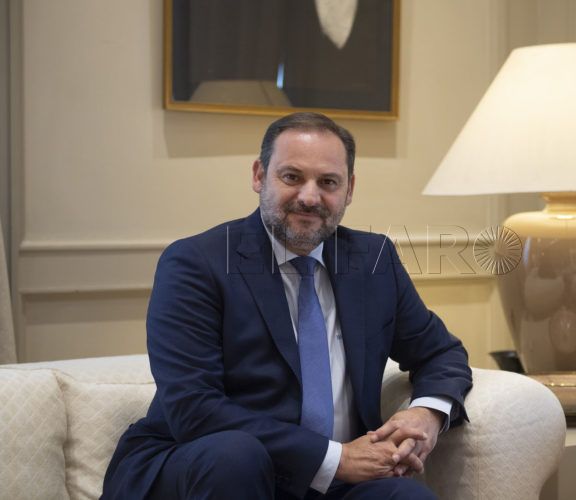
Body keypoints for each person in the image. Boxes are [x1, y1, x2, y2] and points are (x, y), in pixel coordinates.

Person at [101, 112, 473, 499]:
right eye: (292, 177)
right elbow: (193, 408)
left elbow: (440, 352)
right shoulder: (196, 263)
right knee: (236, 456)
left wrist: (426, 414)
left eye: (328, 182)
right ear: (259, 176)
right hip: (211, 469)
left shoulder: (372, 259)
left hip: (334, 484)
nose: (310, 197)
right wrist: (336, 459)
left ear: (349, 189)